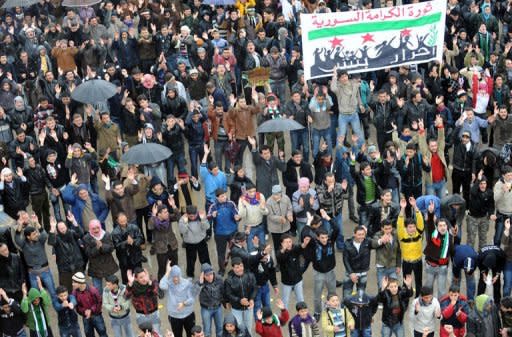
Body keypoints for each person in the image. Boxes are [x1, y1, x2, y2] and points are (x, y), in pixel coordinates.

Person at [14, 217, 57, 300]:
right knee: (35, 296)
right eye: (34, 234)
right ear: (28, 237)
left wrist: (37, 223)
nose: (36, 235)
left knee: (53, 292)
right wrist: (19, 225)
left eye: (36, 233)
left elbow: (44, 235)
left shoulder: (40, 241)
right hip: (33, 274)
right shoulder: (23, 244)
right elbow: (17, 238)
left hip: (45, 272)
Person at [424, 201, 455, 299]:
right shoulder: (432, 234)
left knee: (442, 291)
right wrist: (430, 212)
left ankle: (441, 310)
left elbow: (451, 251)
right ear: (437, 227)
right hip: (430, 266)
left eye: (444, 226)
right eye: (440, 226)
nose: (442, 227)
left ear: (447, 227)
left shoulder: (450, 237)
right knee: (428, 289)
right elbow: (429, 222)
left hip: (442, 267)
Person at [48, 214, 85, 292]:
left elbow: (81, 234)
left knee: (81, 288)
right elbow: (51, 242)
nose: (63, 230)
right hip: (64, 269)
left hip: (77, 265)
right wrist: (52, 227)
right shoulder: (57, 238)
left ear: (66, 227)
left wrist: (73, 221)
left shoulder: (72, 233)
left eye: (64, 227)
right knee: (67, 290)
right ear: (58, 230)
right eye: (60, 229)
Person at [207, 188, 240, 276]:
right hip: (219, 234)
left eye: (225, 195)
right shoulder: (213, 206)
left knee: (234, 251)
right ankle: (222, 269)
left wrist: (238, 217)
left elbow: (237, 213)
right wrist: (212, 216)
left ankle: (235, 268)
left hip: (232, 232)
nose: (224, 197)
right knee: (221, 253)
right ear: (217, 198)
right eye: (222, 196)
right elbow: (208, 217)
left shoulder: (231, 204)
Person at [160, 264, 198, 337]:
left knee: (191, 335)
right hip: (174, 317)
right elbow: (161, 285)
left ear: (180, 275)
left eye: (177, 276)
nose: (175, 279)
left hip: (188, 315)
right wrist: (167, 272)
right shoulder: (168, 284)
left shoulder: (187, 283)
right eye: (173, 276)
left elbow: (192, 299)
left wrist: (184, 303)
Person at [397, 197, 424, 295]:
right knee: (406, 283)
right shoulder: (402, 234)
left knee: (418, 282)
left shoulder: (419, 232)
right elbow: (399, 223)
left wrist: (415, 206)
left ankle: (418, 299)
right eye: (410, 227)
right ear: (406, 228)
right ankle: (405, 299)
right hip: (407, 263)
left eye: (413, 227)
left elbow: (420, 220)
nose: (412, 229)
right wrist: (402, 208)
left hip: (418, 262)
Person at [82, 219, 119, 291]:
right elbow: (88, 253)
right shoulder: (86, 238)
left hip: (108, 265)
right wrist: (97, 248)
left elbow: (111, 248)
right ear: (90, 229)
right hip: (95, 268)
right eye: (93, 228)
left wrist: (102, 246)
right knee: (98, 290)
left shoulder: (106, 234)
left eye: (97, 228)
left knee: (113, 287)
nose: (96, 230)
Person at [224, 257, 257, 332]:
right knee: (239, 328)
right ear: (233, 268)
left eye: (241, 266)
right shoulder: (229, 280)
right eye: (237, 267)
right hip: (236, 309)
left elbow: (255, 288)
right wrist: (239, 300)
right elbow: (228, 294)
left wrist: (252, 299)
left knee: (248, 328)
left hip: (248, 308)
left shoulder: (250, 275)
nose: (240, 269)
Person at [125, 268, 161, 336]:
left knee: (157, 333)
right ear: (136, 279)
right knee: (145, 334)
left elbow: (159, 293)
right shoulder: (133, 286)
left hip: (154, 313)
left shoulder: (152, 281)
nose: (144, 279)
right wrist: (130, 284)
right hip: (141, 315)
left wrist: (150, 283)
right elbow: (126, 297)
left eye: (144, 276)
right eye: (141, 277)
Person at [277, 233, 308, 309]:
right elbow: (279, 257)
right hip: (286, 282)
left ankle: (302, 315)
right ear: (282, 243)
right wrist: (283, 249)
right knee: (285, 302)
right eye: (286, 242)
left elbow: (301, 247)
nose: (288, 244)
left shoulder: (295, 248)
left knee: (300, 300)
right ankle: (285, 318)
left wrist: (304, 243)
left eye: (290, 241)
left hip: (298, 280)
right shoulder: (280, 252)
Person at [111, 213, 145, 284]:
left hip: (136, 256)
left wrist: (134, 241)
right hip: (124, 259)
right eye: (121, 221)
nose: (124, 223)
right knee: (126, 277)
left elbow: (140, 238)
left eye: (125, 220)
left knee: (138, 274)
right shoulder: (115, 233)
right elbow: (116, 246)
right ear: (117, 221)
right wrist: (126, 242)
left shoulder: (134, 227)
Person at [71, 272, 107, 337]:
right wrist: (84, 311)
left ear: (80, 283)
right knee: (88, 334)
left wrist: (91, 310)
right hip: (85, 317)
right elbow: (77, 307)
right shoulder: (74, 292)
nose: (72, 284)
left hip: (96, 316)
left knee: (102, 333)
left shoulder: (93, 290)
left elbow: (99, 303)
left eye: (74, 282)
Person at [179, 205, 211, 278]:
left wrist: (203, 219)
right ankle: (190, 275)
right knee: (190, 261)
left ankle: (208, 272)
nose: (193, 218)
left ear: (196, 213)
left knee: (205, 259)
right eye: (191, 216)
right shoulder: (182, 219)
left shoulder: (201, 216)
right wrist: (186, 222)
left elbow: (207, 227)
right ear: (187, 214)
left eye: (194, 215)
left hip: (201, 242)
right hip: (190, 244)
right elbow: (182, 231)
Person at [343, 226, 373, 300]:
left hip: (363, 273)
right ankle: (346, 310)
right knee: (346, 296)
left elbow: (376, 242)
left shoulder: (368, 242)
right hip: (350, 273)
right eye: (359, 234)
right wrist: (351, 273)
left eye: (363, 234)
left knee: (360, 296)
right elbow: (345, 259)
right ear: (354, 234)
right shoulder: (347, 243)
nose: (361, 237)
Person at [238, 183, 269, 252]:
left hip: (260, 226)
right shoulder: (242, 199)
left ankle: (263, 262)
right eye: (250, 192)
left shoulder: (260, 196)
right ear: (246, 191)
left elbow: (266, 213)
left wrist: (263, 207)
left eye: (254, 191)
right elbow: (241, 215)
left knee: (263, 248)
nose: (252, 194)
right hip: (249, 228)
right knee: (251, 250)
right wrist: (243, 206)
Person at [467, 175, 495, 250]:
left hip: (484, 218)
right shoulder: (474, 191)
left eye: (484, 183)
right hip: (473, 218)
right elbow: (473, 191)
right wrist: (478, 180)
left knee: (483, 239)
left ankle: (482, 256)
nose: (483, 186)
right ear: (478, 184)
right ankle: (470, 256)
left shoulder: (490, 192)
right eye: (481, 184)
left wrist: (491, 213)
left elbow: (491, 205)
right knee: (471, 240)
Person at [198, 263, 224, 337]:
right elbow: (194, 293)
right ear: (203, 275)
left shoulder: (219, 279)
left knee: (220, 329)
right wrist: (200, 283)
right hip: (206, 309)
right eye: (207, 275)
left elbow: (223, 292)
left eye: (211, 274)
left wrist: (225, 303)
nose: (210, 277)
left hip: (218, 308)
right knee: (207, 331)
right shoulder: (200, 283)